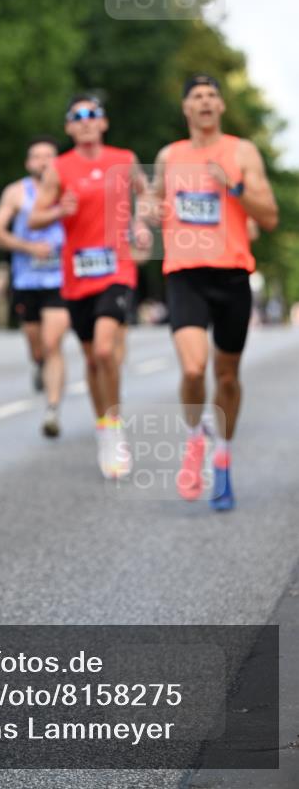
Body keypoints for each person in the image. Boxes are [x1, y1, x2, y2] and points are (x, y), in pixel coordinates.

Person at [150, 74, 278, 510]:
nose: (204, 102)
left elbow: (271, 216)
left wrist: (234, 187)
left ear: (220, 107)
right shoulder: (170, 156)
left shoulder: (242, 152)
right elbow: (152, 207)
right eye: (196, 96)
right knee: (192, 369)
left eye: (211, 96)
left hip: (231, 276)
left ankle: (222, 459)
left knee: (226, 377)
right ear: (186, 108)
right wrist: (145, 212)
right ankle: (193, 440)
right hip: (185, 273)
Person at [30, 96, 152, 475]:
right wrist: (56, 211)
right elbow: (35, 216)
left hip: (117, 267)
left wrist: (142, 222)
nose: (85, 122)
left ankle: (114, 429)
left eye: (92, 115)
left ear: (104, 123)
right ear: (69, 127)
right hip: (78, 274)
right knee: (89, 357)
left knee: (104, 351)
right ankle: (103, 426)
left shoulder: (124, 158)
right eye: (77, 117)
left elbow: (145, 196)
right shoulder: (59, 168)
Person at [0, 137, 70, 437]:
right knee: (37, 345)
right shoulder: (16, 192)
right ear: (28, 163)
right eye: (37, 157)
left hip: (61, 280)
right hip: (26, 281)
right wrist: (28, 247)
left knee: (53, 343)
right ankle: (39, 364)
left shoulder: (68, 190)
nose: (44, 161)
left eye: (49, 156)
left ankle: (52, 409)